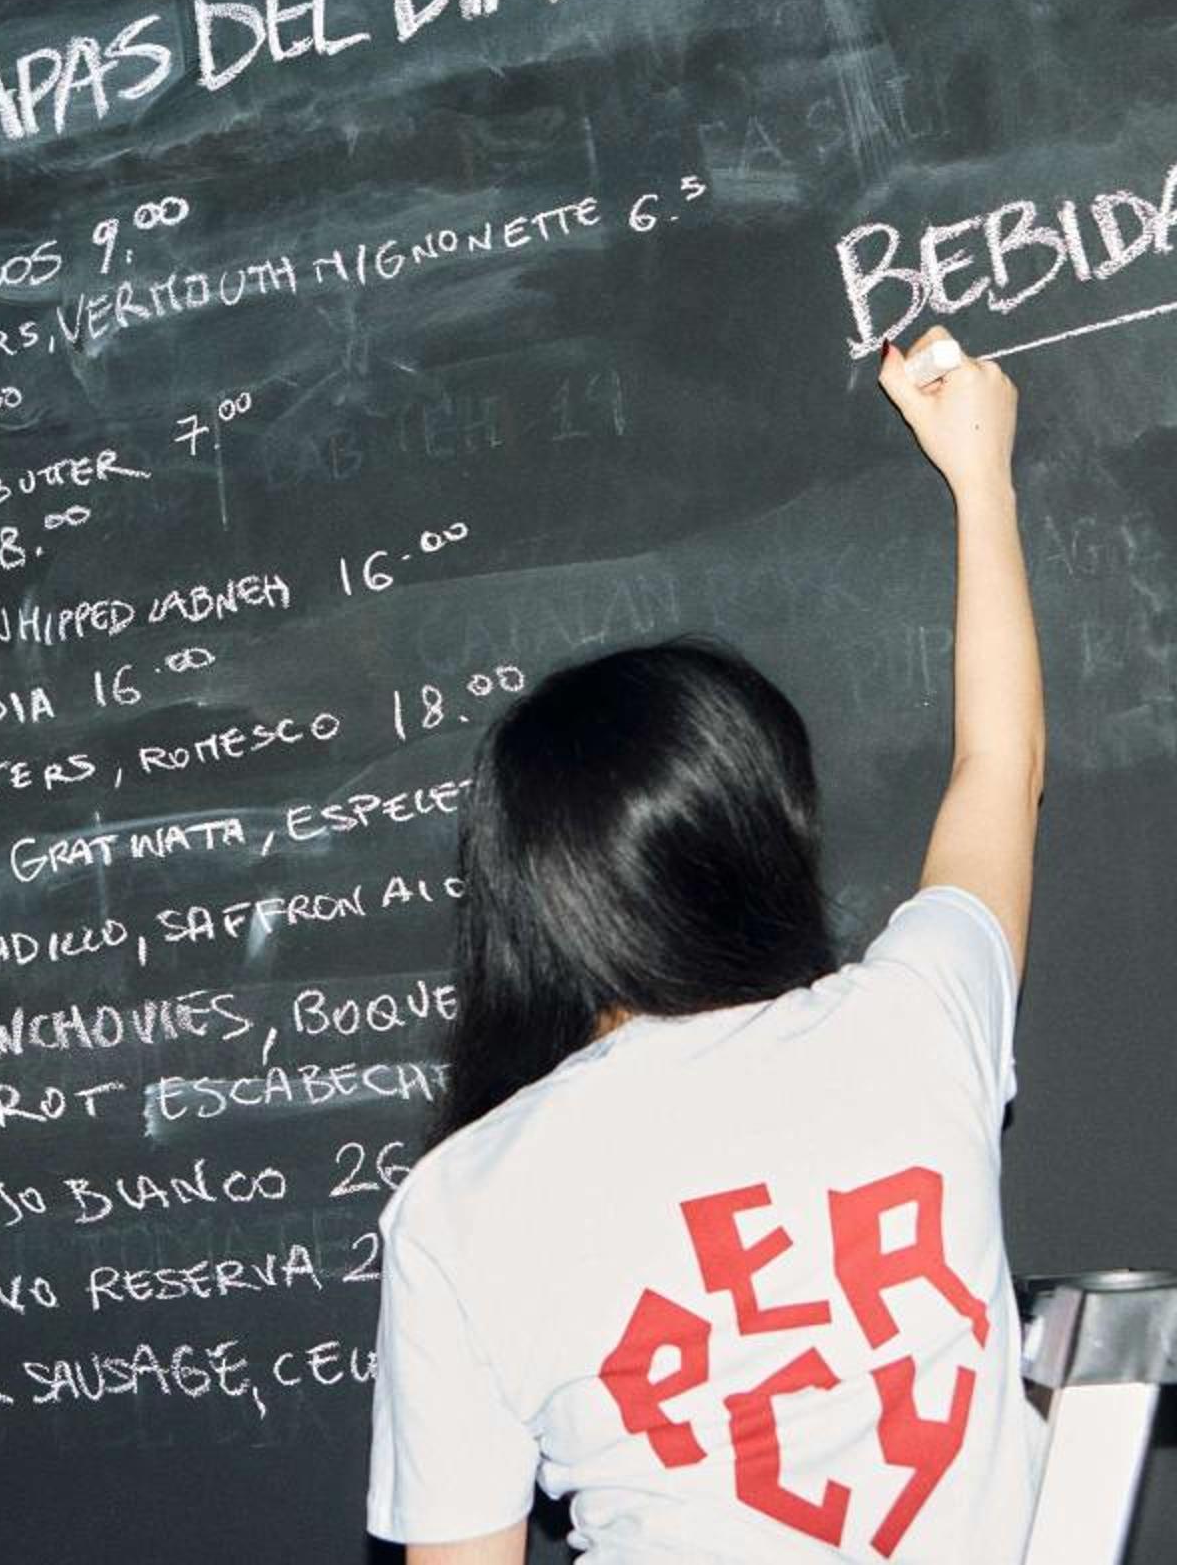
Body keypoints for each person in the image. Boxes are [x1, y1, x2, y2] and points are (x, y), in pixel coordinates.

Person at [367, 326, 1043, 1563]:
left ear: (530, 900)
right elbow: (1000, 771)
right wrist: (980, 480)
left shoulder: (460, 1208)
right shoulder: (912, 1023)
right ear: (766, 833)